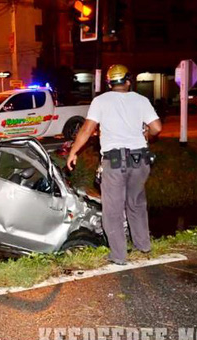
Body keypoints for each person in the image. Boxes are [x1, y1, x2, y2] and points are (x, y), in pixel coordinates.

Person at [66, 64, 162, 265]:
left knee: (113, 209)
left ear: (109, 83)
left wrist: (73, 152)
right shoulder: (141, 100)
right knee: (136, 203)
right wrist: (146, 134)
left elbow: (86, 130)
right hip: (140, 160)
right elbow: (156, 127)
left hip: (115, 162)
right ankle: (143, 245)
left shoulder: (100, 101)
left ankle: (119, 255)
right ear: (128, 81)